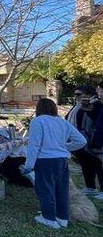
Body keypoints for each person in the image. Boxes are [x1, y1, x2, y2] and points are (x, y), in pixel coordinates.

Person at [23, 98, 87, 229]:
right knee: (61, 190)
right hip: (62, 160)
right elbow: (81, 141)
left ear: (38, 109)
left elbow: (34, 145)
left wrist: (28, 165)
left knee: (45, 189)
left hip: (45, 161)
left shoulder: (37, 121)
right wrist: (64, 147)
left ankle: (49, 219)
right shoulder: (62, 122)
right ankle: (62, 218)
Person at [68, 86, 103, 197]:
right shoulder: (77, 106)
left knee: (98, 165)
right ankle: (90, 187)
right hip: (80, 140)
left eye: (78, 94)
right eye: (75, 94)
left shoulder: (96, 105)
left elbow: (96, 120)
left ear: (88, 94)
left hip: (93, 140)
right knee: (85, 164)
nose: (76, 97)